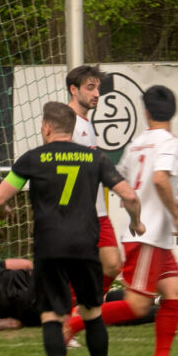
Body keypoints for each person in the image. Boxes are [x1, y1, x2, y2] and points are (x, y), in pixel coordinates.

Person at [0, 101, 142, 356]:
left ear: (47, 128)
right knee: (92, 312)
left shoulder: (33, 158)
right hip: (85, 246)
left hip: (49, 247)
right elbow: (129, 195)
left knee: (50, 315)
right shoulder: (94, 158)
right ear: (72, 130)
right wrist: (136, 221)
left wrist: (2, 212)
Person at [90, 85, 178, 356]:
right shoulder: (170, 142)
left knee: (173, 294)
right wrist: (176, 215)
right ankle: (75, 320)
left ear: (146, 113)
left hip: (149, 234)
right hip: (150, 235)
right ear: (174, 111)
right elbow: (160, 179)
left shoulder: (136, 144)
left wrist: (141, 205)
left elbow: (120, 180)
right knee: (138, 306)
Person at [0, 260, 178, 333]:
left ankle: (163, 313)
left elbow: (11, 324)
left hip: (31, 305)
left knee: (93, 315)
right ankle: (159, 301)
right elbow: (21, 263)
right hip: (40, 278)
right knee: (93, 298)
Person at [66, 65, 122, 291]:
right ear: (74, 90)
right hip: (76, 212)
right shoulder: (66, 122)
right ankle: (73, 308)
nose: (97, 94)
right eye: (90, 87)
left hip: (97, 211)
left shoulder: (86, 122)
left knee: (113, 265)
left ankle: (88, 303)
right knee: (76, 270)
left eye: (98, 88)